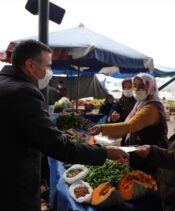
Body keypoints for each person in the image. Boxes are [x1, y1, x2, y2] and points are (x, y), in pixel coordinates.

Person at [0, 39, 128, 211]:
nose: (49, 72)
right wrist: (104, 152)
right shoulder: (23, 92)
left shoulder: (5, 84)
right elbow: (56, 145)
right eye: (47, 66)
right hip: (13, 185)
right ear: (30, 64)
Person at [89, 73, 168, 176]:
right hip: (139, 151)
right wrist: (111, 135)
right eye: (135, 85)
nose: (137, 89)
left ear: (150, 86)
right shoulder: (141, 103)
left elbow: (130, 126)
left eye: (142, 86)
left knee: (147, 181)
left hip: (150, 154)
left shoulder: (152, 107)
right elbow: (127, 125)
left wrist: (102, 128)